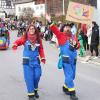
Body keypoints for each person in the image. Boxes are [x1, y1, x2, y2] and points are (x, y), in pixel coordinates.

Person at [45, 15, 80, 100]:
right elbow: (54, 29)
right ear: (63, 29)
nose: (68, 29)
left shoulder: (73, 36)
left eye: (69, 27)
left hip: (73, 60)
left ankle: (65, 87)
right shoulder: (60, 35)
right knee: (69, 74)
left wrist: (76, 45)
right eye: (66, 27)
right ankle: (72, 93)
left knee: (72, 76)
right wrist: (50, 21)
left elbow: (78, 46)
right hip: (66, 59)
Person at [12, 24, 46, 100]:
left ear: (35, 30)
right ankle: (31, 95)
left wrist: (42, 58)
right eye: (30, 29)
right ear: (28, 30)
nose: (31, 30)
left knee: (37, 75)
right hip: (27, 62)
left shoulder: (38, 39)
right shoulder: (25, 38)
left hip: (36, 61)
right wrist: (15, 45)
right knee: (29, 77)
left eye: (33, 29)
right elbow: (18, 41)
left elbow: (41, 49)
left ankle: (35, 90)